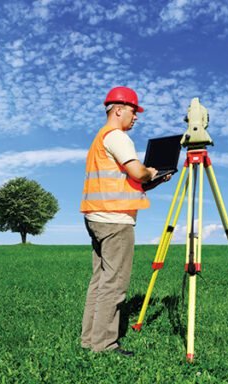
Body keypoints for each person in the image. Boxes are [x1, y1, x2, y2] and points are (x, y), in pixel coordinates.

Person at [79, 86, 168, 356]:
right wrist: (150, 171)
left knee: (100, 282)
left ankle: (89, 340)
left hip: (97, 217)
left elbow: (126, 183)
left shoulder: (100, 139)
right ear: (118, 110)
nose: (136, 117)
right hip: (115, 221)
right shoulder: (117, 137)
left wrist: (154, 179)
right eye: (133, 111)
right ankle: (105, 346)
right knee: (114, 285)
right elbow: (137, 172)